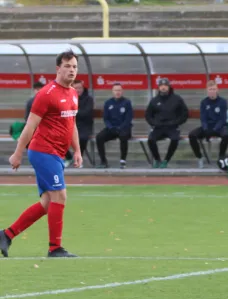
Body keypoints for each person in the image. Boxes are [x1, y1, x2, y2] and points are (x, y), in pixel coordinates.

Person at [0, 50, 82, 258]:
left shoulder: (73, 93)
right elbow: (30, 126)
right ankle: (55, 248)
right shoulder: (46, 94)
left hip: (56, 154)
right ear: (58, 69)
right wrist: (17, 153)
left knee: (48, 202)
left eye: (74, 66)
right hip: (43, 151)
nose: (72, 70)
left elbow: (71, 124)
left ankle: (6, 235)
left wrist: (78, 150)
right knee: (60, 195)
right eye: (67, 66)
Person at [145, 77, 189, 168]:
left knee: (174, 139)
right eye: (161, 86)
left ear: (169, 87)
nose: (163, 87)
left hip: (172, 127)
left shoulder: (177, 99)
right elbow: (148, 115)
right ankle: (157, 160)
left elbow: (184, 114)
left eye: (165, 85)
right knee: (151, 140)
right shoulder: (154, 100)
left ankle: (166, 160)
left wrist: (176, 122)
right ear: (159, 87)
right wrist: (154, 123)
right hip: (159, 127)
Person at [188, 80, 228, 168]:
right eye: (210, 89)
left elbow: (223, 119)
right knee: (192, 135)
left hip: (220, 127)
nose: (212, 91)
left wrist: (215, 129)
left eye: (214, 89)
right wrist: (206, 128)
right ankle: (199, 157)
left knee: (226, 135)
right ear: (207, 90)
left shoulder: (223, 102)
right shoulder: (204, 102)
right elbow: (203, 117)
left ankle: (221, 157)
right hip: (208, 127)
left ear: (217, 90)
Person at [95, 83, 133, 169]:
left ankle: (123, 160)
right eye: (115, 90)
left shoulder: (127, 102)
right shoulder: (108, 103)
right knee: (99, 137)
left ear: (122, 91)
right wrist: (111, 127)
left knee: (123, 137)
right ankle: (103, 161)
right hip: (112, 128)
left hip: (124, 128)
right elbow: (106, 118)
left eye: (119, 90)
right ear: (112, 91)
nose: (117, 92)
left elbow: (128, 118)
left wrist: (121, 128)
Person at [64, 79, 94, 167]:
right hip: (71, 124)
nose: (78, 90)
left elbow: (86, 113)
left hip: (85, 125)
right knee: (60, 136)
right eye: (76, 88)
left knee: (82, 138)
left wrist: (74, 112)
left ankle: (78, 159)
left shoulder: (89, 99)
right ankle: (69, 157)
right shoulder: (69, 98)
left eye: (80, 88)